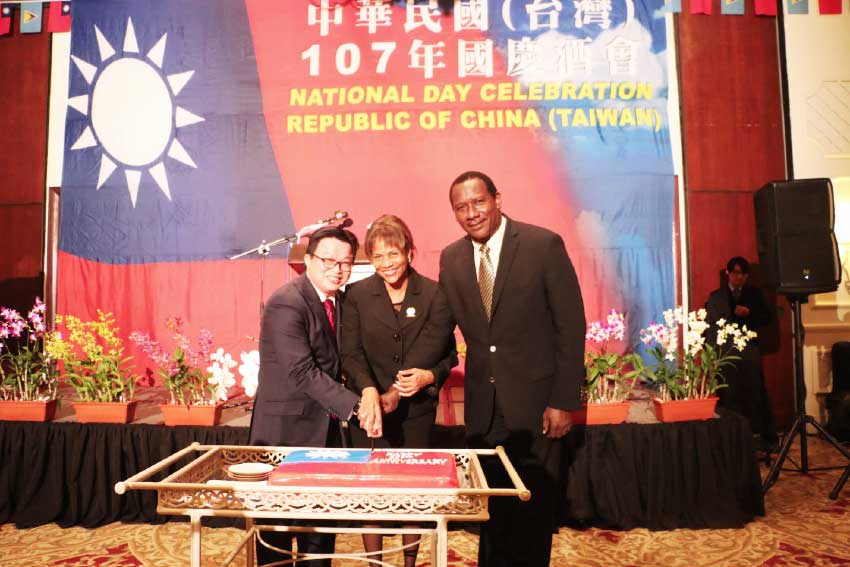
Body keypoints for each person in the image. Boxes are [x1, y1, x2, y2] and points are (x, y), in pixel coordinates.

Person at [436, 171, 586, 567]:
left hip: (537, 406)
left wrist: (562, 401)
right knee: (493, 511)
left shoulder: (542, 245)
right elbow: (439, 328)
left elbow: (571, 326)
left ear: (497, 199)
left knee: (532, 511)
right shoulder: (451, 258)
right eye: (461, 207)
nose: (471, 213)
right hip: (484, 409)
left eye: (478, 202)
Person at [248, 225, 382, 567]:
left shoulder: (342, 302)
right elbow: (301, 371)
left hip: (326, 434)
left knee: (320, 531)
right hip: (284, 435)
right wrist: (357, 407)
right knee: (277, 535)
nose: (337, 269)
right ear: (308, 260)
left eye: (346, 262)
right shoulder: (286, 302)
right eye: (328, 260)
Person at [341, 214, 457, 567]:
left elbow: (440, 349)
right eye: (378, 256)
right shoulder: (356, 295)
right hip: (369, 409)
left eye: (393, 254)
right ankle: (375, 563)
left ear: (409, 252)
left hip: (415, 411)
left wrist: (418, 381)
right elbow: (350, 352)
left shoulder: (436, 294)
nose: (386, 263)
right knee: (371, 494)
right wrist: (368, 390)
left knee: (413, 493)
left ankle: (409, 563)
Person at [706, 256, 778, 448]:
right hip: (726, 353)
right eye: (736, 273)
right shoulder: (716, 296)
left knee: (753, 392)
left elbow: (768, 318)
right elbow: (710, 325)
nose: (739, 277)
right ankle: (727, 437)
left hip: (749, 352)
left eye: (743, 274)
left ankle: (756, 435)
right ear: (728, 273)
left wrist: (750, 314)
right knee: (728, 393)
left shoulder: (755, 294)